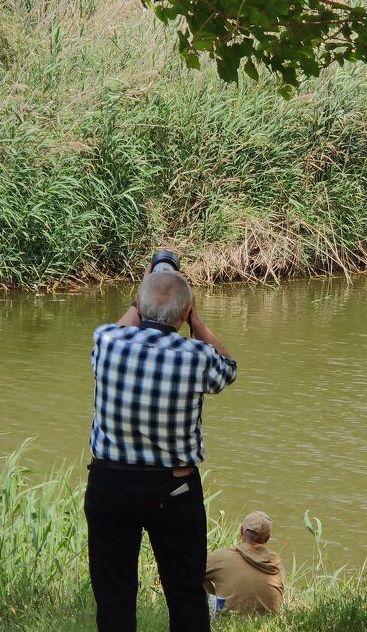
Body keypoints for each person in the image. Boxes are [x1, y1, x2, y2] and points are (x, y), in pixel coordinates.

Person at [86, 266, 237, 632]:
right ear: (185, 312)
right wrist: (196, 320)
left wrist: (139, 303)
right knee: (185, 594)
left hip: (110, 485)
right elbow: (228, 367)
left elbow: (121, 328)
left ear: (138, 303)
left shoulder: (108, 342)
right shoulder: (196, 357)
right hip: (175, 489)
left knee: (114, 596)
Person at [203, 510, 286, 614]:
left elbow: (190, 571)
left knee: (196, 575)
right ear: (267, 538)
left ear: (241, 530)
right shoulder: (278, 566)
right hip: (268, 622)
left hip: (229, 619)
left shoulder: (221, 556)